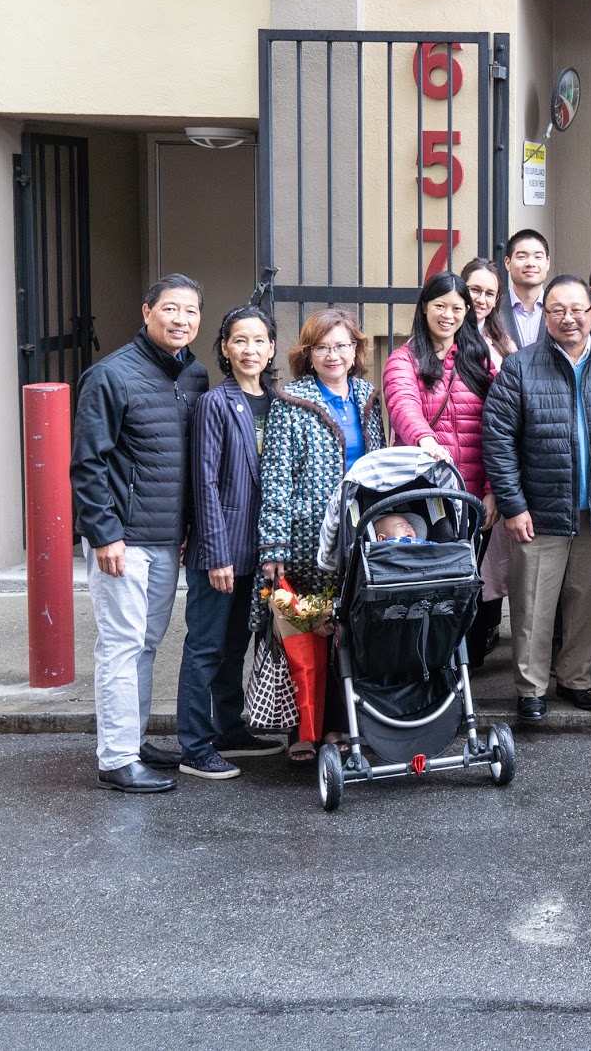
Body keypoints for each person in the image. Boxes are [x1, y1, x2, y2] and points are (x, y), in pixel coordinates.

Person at [71, 275, 209, 793]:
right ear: (146, 311)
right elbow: (88, 464)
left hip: (165, 537)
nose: (181, 320)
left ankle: (134, 738)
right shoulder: (109, 377)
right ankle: (116, 757)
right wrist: (104, 534)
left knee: (147, 643)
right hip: (122, 541)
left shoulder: (193, 374)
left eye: (191, 311)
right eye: (170, 309)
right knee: (121, 645)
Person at [484, 274, 591, 722]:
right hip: (538, 510)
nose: (569, 319)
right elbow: (498, 439)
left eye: (577, 310)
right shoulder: (521, 366)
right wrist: (513, 504)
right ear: (544, 316)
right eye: (557, 310)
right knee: (532, 603)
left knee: (587, 600)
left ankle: (576, 679)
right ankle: (531, 688)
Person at [257, 308, 385, 762]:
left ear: (356, 351)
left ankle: (340, 727)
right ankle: (302, 730)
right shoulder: (290, 400)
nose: (334, 354)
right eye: (323, 347)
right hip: (306, 534)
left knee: (346, 631)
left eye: (343, 345)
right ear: (308, 354)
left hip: (357, 534)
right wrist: (274, 547)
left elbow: (380, 467)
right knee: (305, 631)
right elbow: (275, 479)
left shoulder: (368, 396)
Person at [176, 303, 286, 781]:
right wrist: (216, 554)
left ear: (271, 348)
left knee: (237, 644)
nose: (250, 349)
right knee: (205, 647)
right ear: (224, 348)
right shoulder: (214, 404)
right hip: (219, 551)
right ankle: (195, 746)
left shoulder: (280, 400)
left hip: (257, 551)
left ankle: (229, 730)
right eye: (240, 340)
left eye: (259, 340)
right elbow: (205, 484)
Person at [382, 271, 500, 661]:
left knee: (466, 585)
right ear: (424, 308)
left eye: (456, 307)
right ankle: (427, 667)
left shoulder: (481, 358)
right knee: (428, 586)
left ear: (467, 311)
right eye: (439, 306)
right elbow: (402, 404)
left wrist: (493, 490)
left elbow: (501, 421)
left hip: (471, 496)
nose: (447, 315)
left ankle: (457, 672)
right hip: (425, 495)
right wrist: (425, 439)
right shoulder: (404, 358)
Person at [458, 255, 519, 666]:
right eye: (474, 290)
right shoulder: (438, 338)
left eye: (488, 293)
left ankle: (481, 641)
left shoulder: (504, 343)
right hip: (453, 466)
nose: (480, 299)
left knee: (490, 559)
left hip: (492, 463)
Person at [501, 229, 552, 348]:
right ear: (507, 262)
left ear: (547, 262)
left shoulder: (560, 311)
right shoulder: (493, 310)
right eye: (522, 257)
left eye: (538, 257)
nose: (530, 263)